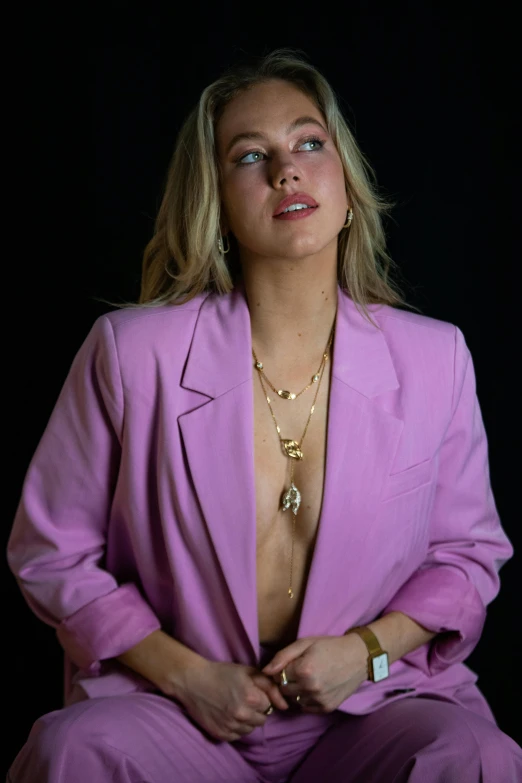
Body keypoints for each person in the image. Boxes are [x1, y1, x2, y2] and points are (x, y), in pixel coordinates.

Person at [7, 47, 522, 783]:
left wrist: (365, 651)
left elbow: (467, 558)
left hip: (371, 707)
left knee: (474, 755)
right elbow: (50, 551)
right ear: (215, 200)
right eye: (251, 155)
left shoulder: (436, 358)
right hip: (177, 710)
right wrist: (186, 675)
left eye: (310, 143)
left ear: (345, 185)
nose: (287, 168)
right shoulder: (131, 352)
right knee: (74, 750)